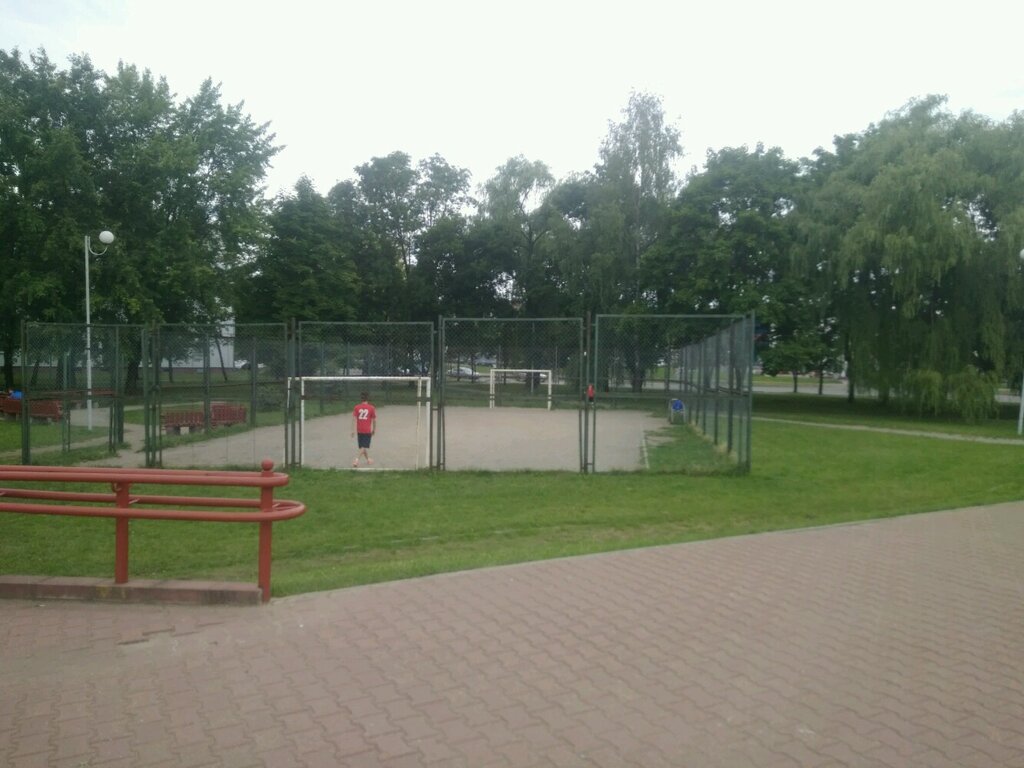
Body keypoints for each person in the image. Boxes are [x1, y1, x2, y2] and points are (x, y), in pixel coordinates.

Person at [351, 391, 377, 467]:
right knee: (363, 447)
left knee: (362, 447)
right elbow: (374, 420)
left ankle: (368, 459)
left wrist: (352, 430)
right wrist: (374, 429)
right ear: (368, 398)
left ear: (361, 398)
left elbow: (354, 419)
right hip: (367, 430)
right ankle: (356, 460)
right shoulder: (371, 408)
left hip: (359, 430)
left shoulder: (356, 407)